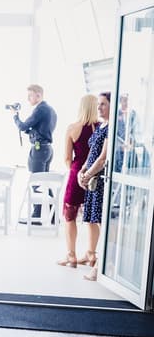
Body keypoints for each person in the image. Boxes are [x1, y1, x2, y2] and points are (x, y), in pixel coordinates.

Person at [57, 94, 99, 268]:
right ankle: (90, 255)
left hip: (76, 175)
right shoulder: (102, 129)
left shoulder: (72, 128)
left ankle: (71, 256)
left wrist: (76, 170)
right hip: (95, 176)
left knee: (70, 215)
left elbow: (67, 158)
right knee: (91, 217)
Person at [10, 84, 57, 223]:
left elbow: (23, 126)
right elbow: (42, 130)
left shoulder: (40, 109)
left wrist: (15, 116)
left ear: (38, 95)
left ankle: (36, 216)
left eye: (30, 95)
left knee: (36, 183)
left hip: (39, 150)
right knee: (45, 183)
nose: (28, 98)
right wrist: (31, 132)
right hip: (47, 148)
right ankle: (53, 216)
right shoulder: (51, 110)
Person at [78, 92, 111, 282]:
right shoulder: (100, 126)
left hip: (100, 180)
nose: (99, 107)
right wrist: (82, 170)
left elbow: (102, 157)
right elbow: (92, 152)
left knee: (102, 224)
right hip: (92, 178)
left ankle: (99, 267)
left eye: (104, 104)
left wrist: (88, 174)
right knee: (92, 220)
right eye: (98, 104)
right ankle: (93, 256)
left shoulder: (111, 128)